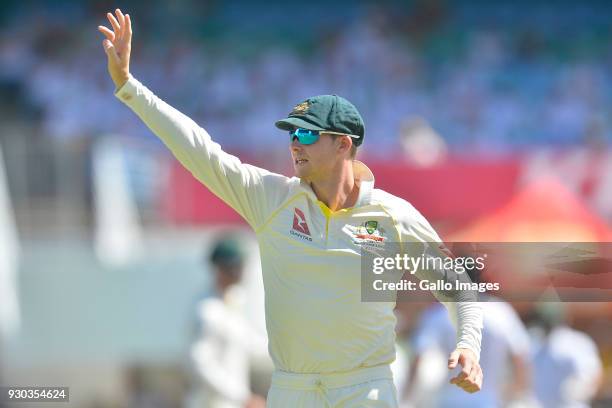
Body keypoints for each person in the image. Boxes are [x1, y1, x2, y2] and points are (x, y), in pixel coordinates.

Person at [98, 9, 483, 407]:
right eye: (290, 134)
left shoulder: (393, 216)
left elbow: (458, 288)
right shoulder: (271, 198)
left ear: (343, 144)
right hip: (292, 390)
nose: (294, 143)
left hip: (365, 390)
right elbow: (201, 151)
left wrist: (468, 346)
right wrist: (129, 86)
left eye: (306, 133)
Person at [187, 237, 267, 408]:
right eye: (235, 267)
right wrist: (242, 397)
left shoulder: (234, 302)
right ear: (220, 269)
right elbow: (201, 364)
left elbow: (252, 344)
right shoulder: (207, 311)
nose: (240, 272)